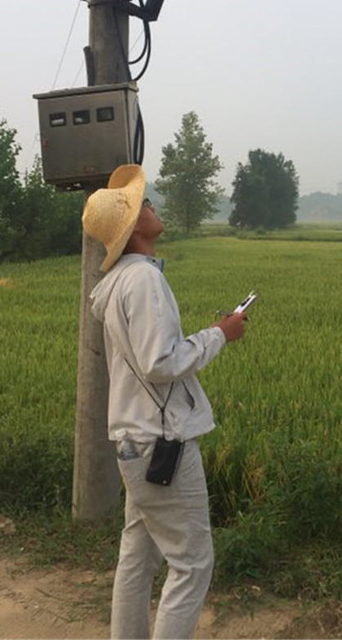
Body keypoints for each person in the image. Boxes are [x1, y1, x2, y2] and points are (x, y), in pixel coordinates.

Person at [82, 164, 247, 639]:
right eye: (145, 204)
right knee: (192, 563)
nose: (152, 207)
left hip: (134, 443)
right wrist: (221, 333)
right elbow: (161, 362)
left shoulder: (115, 282)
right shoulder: (143, 280)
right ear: (135, 228)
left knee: (138, 551)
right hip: (162, 445)